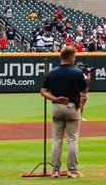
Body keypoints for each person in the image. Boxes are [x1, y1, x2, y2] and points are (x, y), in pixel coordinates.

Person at [39, 44, 87, 178]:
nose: (75, 59)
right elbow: (85, 90)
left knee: (57, 140)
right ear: (71, 57)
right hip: (72, 107)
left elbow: (43, 91)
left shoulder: (52, 72)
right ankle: (72, 170)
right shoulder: (77, 72)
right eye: (74, 56)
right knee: (72, 139)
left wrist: (55, 98)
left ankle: (55, 170)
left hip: (57, 107)